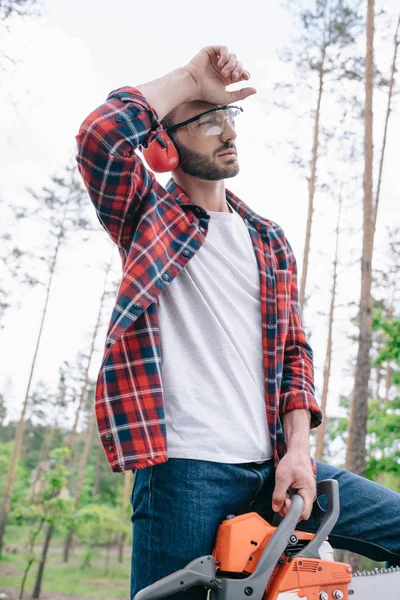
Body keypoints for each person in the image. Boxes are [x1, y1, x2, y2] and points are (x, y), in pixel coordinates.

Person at [76, 45, 400, 599]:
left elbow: (296, 354)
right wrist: (189, 77)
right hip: (183, 472)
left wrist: (299, 450)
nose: (226, 130)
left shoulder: (267, 238)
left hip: (275, 466)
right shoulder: (147, 216)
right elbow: (99, 137)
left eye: (228, 116)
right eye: (204, 120)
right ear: (163, 148)